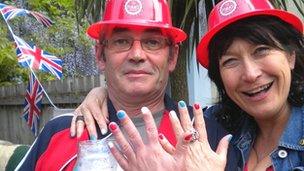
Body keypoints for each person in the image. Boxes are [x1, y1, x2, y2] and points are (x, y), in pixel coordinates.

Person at [72, 0, 304, 170]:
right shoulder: (218, 126)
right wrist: (102, 93)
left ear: (291, 56)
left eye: (261, 51)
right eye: (230, 61)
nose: (251, 74)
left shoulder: (213, 135)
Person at [15, 0, 233, 170]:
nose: (137, 55)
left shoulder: (206, 136)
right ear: (100, 55)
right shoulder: (60, 132)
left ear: (173, 56)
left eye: (152, 42)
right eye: (121, 41)